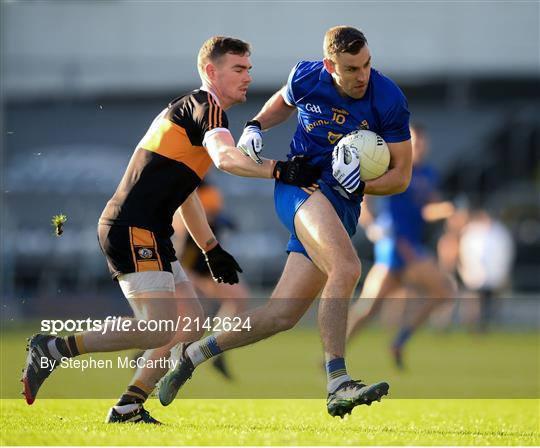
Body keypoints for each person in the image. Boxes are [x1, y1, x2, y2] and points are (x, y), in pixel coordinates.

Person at [21, 36, 320, 424]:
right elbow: (227, 157)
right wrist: (278, 169)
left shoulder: (195, 111)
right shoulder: (205, 105)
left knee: (190, 322)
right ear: (211, 72)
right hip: (131, 226)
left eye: (249, 68)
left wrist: (210, 248)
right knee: (155, 328)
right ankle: (53, 348)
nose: (248, 76)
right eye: (239, 69)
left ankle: (129, 405)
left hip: (151, 231)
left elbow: (186, 193)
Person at [158, 26, 413, 418]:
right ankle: (338, 382)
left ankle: (194, 353)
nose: (362, 75)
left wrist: (363, 181)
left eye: (366, 65)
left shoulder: (389, 98)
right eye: (351, 68)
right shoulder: (308, 76)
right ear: (330, 66)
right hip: (300, 187)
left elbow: (401, 176)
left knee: (281, 315)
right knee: (346, 267)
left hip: (342, 205)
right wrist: (257, 125)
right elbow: (282, 101)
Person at [346, 123, 455, 369]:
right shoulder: (390, 167)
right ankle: (395, 342)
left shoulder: (427, 173)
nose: (418, 147)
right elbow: (364, 199)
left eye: (421, 143)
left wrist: (448, 210)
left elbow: (427, 208)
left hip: (409, 244)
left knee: (368, 308)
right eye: (414, 142)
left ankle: (335, 354)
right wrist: (373, 226)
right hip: (396, 244)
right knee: (443, 291)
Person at [172, 181, 250, 379]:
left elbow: (211, 218)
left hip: (205, 262)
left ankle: (215, 348)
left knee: (238, 299)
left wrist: (220, 219)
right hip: (189, 263)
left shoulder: (208, 188)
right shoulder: (187, 186)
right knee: (192, 320)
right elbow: (185, 233)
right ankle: (149, 355)